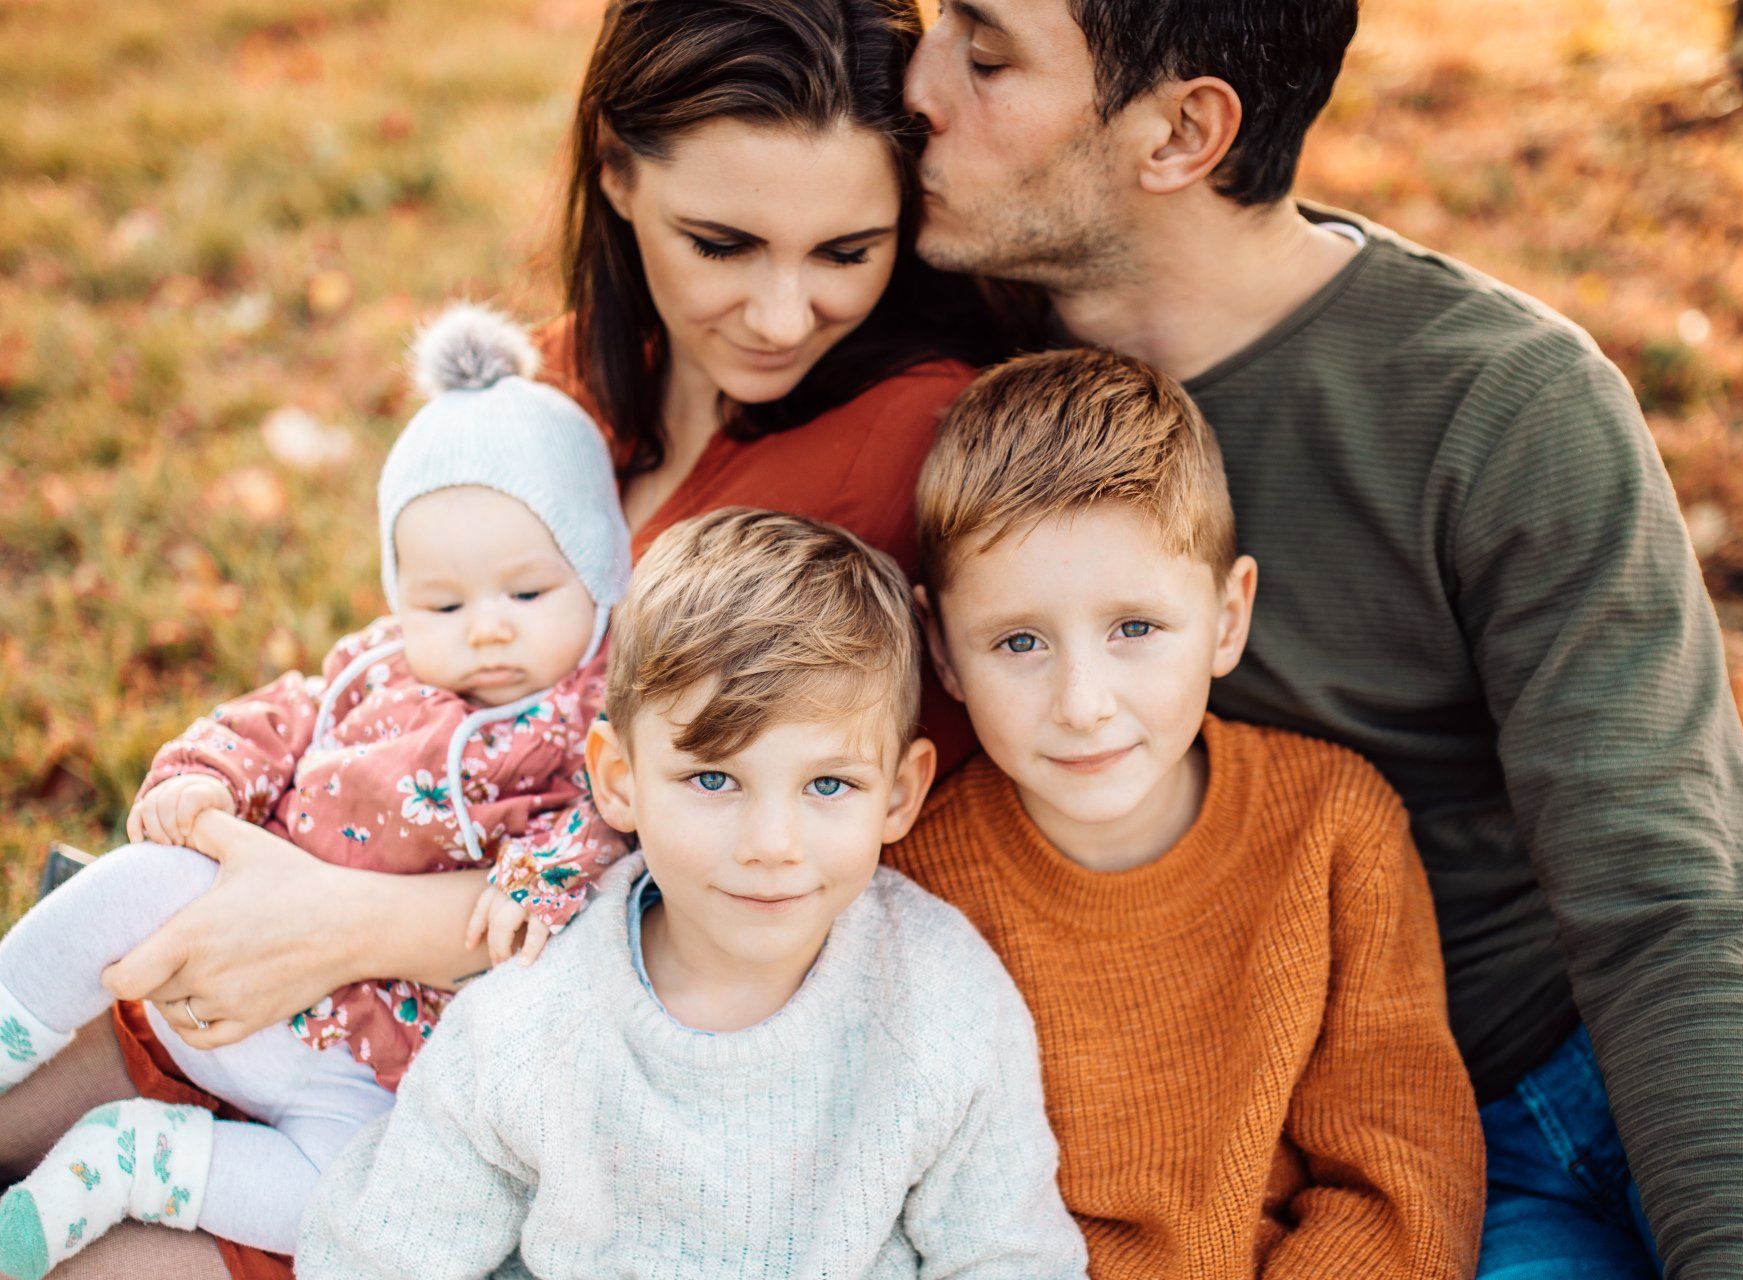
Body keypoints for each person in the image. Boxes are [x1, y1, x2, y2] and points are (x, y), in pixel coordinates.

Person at [899, 2, 1743, 1277]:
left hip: (1667, 1003)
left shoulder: (1503, 405)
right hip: (1420, 1112)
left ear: (1182, 131)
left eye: (986, 57)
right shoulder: (965, 370)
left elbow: (1674, 904)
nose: (919, 83)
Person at [0, 4, 999, 1274]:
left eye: (847, 250)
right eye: (721, 243)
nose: (783, 311)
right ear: (618, 174)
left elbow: (757, 865)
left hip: (517, 1084)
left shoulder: (903, 451)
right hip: (295, 964)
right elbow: (414, 680)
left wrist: (343, 918)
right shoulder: (569, 382)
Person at [0, 305, 631, 1278]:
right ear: (400, 595)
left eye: (529, 592)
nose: (489, 629)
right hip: (226, 960)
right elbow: (278, 716)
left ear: (598, 576)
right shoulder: (374, 670)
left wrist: (529, 886)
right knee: (141, 881)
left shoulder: (590, 730)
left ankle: (131, 1166)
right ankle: (11, 1019)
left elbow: (593, 840)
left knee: (353, 1198)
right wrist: (206, 772)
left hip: (373, 1066)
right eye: (446, 602)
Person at [298, 507, 1088, 1279]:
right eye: (714, 778)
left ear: (897, 794)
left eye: (828, 784)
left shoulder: (940, 1002)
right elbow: (384, 1253)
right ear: (619, 780)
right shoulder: (532, 1022)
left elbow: (1007, 1253)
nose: (771, 845)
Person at [888, 349, 1484, 1277]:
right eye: (1018, 641)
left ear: (1227, 617)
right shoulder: (910, 880)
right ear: (944, 651)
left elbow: (1402, 1172)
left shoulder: (1334, 826)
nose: (1082, 701)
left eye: (1135, 629)